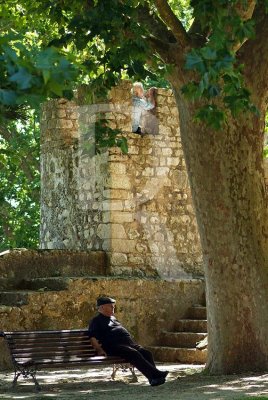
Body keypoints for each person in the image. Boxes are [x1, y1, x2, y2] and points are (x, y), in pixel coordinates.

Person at [88, 296, 168, 386]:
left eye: (113, 305)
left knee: (146, 353)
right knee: (133, 353)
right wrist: (99, 350)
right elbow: (92, 337)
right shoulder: (96, 321)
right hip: (113, 346)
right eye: (110, 305)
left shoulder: (113, 318)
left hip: (128, 344)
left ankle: (153, 378)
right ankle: (157, 375)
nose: (113, 307)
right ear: (102, 307)